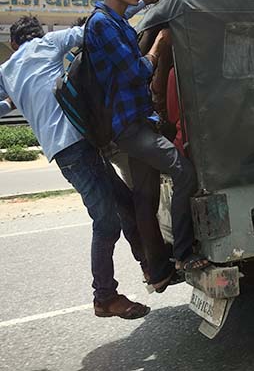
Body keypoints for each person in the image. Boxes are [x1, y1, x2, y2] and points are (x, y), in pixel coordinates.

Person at [0, 16, 150, 319]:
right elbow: (93, 32)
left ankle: (152, 265)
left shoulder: (5, 71)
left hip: (65, 150)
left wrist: (19, 102)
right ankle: (105, 296)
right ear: (37, 35)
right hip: (76, 145)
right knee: (107, 221)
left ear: (14, 44)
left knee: (124, 201)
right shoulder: (49, 43)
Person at [85, 0, 209, 284]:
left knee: (145, 197)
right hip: (130, 125)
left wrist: (150, 0)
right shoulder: (101, 24)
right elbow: (135, 70)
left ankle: (158, 269)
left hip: (135, 122)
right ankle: (183, 254)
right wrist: (159, 45)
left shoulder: (113, 19)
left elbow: (126, 20)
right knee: (184, 174)